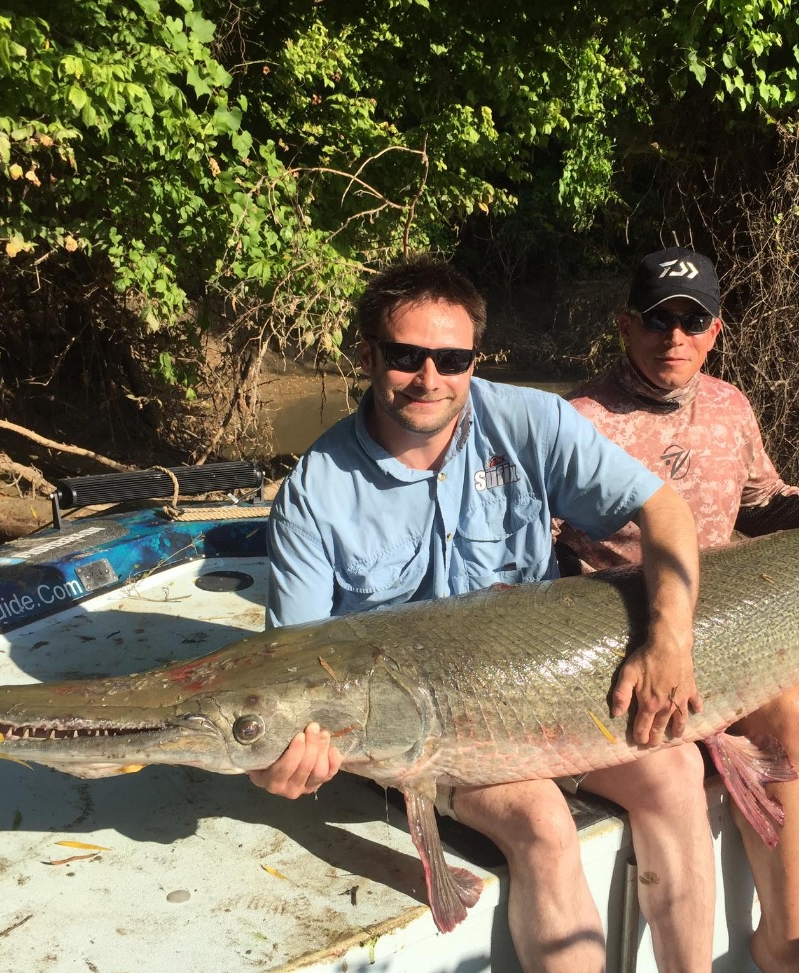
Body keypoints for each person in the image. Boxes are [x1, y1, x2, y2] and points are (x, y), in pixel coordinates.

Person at [253, 257, 716, 973]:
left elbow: (664, 511)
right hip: (430, 731)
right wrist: (280, 759)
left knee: (678, 769)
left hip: (543, 690)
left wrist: (669, 640)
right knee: (539, 818)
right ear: (367, 355)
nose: (428, 378)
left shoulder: (531, 420)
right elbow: (290, 670)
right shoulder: (315, 492)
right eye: (405, 356)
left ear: (475, 358)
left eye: (452, 358)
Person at [558, 248, 799, 973]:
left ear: (715, 330)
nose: (673, 335)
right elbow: (538, 541)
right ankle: (785, 932)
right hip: (637, 629)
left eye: (691, 319)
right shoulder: (580, 419)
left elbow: (765, 506)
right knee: (794, 700)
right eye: (656, 318)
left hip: (745, 605)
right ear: (624, 326)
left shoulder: (730, 405)